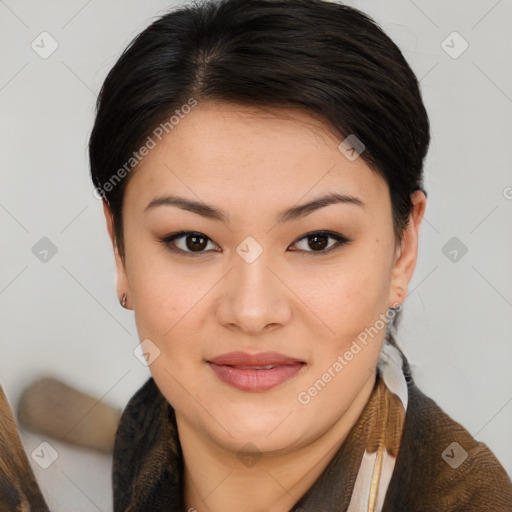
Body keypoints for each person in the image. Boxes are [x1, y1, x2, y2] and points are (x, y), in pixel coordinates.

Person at [87, 0, 512, 510]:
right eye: (193, 241)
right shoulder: (150, 428)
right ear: (119, 249)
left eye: (317, 241)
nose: (251, 311)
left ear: (403, 250)